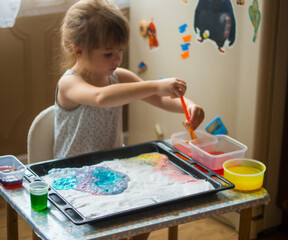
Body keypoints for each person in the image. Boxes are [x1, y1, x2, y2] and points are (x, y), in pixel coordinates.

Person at [54, 1, 204, 238]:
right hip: (73, 178)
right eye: (108, 53)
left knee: (147, 217)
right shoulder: (69, 83)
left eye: (120, 51)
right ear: (78, 50)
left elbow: (159, 98)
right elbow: (100, 97)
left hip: (112, 169)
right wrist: (154, 84)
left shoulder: (118, 77)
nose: (117, 59)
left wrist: (191, 106)